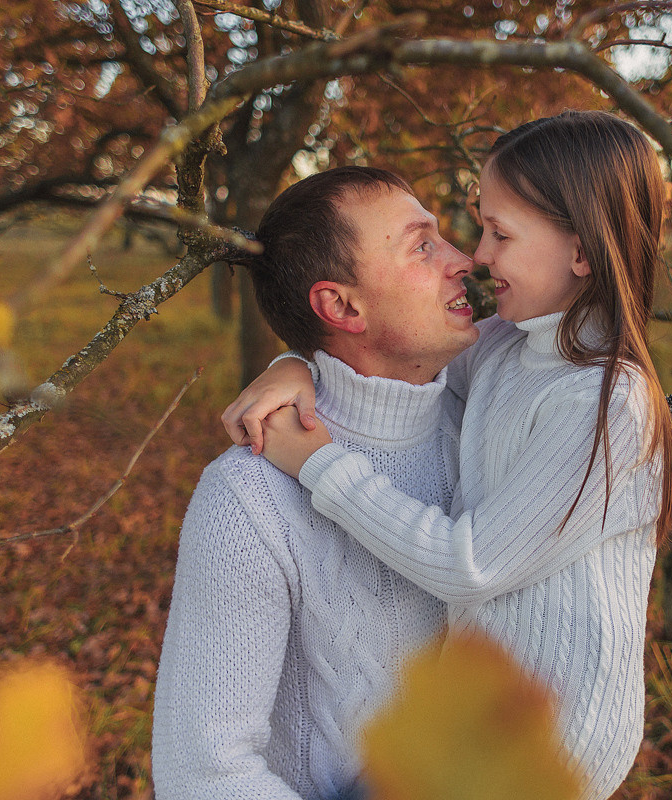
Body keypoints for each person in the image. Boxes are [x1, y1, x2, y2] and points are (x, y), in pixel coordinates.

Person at [224, 110, 672, 800]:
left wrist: (316, 464)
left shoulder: (604, 401)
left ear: (581, 252)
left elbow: (469, 564)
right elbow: (391, 362)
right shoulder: (507, 347)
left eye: (500, 233)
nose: (479, 256)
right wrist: (297, 362)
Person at [152, 166, 481, 800]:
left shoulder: (485, 423)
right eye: (422, 246)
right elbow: (202, 776)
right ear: (341, 305)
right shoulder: (247, 501)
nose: (463, 260)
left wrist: (292, 361)